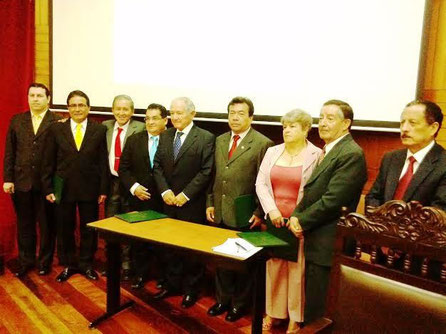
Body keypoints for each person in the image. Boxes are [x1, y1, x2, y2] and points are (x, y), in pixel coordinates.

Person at [288, 100, 367, 324]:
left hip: (330, 242)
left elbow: (333, 200)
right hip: (317, 238)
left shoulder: (350, 153)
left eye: (330, 118)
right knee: (313, 300)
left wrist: (301, 220)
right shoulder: (329, 149)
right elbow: (311, 190)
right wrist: (296, 214)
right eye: (321, 117)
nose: (322, 123)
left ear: (346, 124)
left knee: (321, 307)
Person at [206, 97, 273, 322]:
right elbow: (212, 175)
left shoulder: (263, 143)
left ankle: (239, 305)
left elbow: (264, 182)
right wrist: (210, 202)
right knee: (222, 260)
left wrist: (258, 212)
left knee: (243, 263)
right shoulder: (220, 140)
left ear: (251, 117)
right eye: (231, 113)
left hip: (245, 213)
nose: (234, 117)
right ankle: (222, 300)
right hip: (220, 209)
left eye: (240, 113)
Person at [256, 109, 321, 333]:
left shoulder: (316, 154)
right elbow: (260, 184)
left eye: (293, 126)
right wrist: (272, 210)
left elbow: (316, 192)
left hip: (298, 223)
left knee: (296, 272)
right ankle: (273, 313)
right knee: (274, 268)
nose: (287, 130)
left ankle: (295, 317)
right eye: (285, 126)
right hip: (274, 220)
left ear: (305, 130)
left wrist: (299, 218)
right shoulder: (272, 152)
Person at [153, 97, 215, 308]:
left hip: (192, 204)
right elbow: (157, 166)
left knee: (191, 249)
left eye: (180, 112)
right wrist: (165, 191)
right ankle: (172, 284)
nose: (175, 117)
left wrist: (185, 194)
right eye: (172, 113)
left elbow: (206, 171)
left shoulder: (205, 137)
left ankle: (191, 289)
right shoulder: (166, 135)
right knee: (169, 247)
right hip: (168, 201)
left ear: (192, 113)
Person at [42, 90, 108, 282]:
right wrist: (48, 188)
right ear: (68, 108)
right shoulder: (56, 130)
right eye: (73, 105)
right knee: (65, 228)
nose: (77, 109)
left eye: (81, 105)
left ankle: (87, 264)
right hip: (63, 188)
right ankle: (70, 264)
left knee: (89, 228)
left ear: (88, 108)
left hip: (90, 188)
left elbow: (103, 162)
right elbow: (48, 161)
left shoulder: (99, 130)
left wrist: (103, 189)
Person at [3, 83, 61, 277]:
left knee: (47, 226)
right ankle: (26, 261)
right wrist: (8, 179)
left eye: (39, 96)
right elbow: (10, 152)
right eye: (32, 95)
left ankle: (44, 262)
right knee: (25, 225)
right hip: (21, 182)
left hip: (47, 185)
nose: (35, 99)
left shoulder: (58, 121)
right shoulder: (17, 120)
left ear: (48, 99)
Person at [119, 103, 168, 289]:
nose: (150, 122)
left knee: (164, 242)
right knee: (139, 241)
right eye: (147, 118)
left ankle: (163, 277)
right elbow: (123, 168)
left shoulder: (172, 139)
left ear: (165, 120)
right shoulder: (134, 139)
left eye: (155, 118)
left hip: (164, 201)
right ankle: (140, 274)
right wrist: (134, 187)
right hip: (139, 199)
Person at [366, 100, 446, 210]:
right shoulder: (391, 158)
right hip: (380, 225)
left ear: (433, 128)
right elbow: (373, 197)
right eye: (402, 122)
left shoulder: (443, 163)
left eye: (412, 123)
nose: (404, 128)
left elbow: (439, 211)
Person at [102, 95, 144, 280]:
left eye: (125, 109)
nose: (121, 112)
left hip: (131, 184)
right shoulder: (104, 127)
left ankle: (128, 265)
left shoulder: (141, 128)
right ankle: (111, 264)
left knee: (128, 224)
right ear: (112, 110)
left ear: (132, 111)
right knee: (110, 224)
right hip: (110, 183)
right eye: (117, 109)